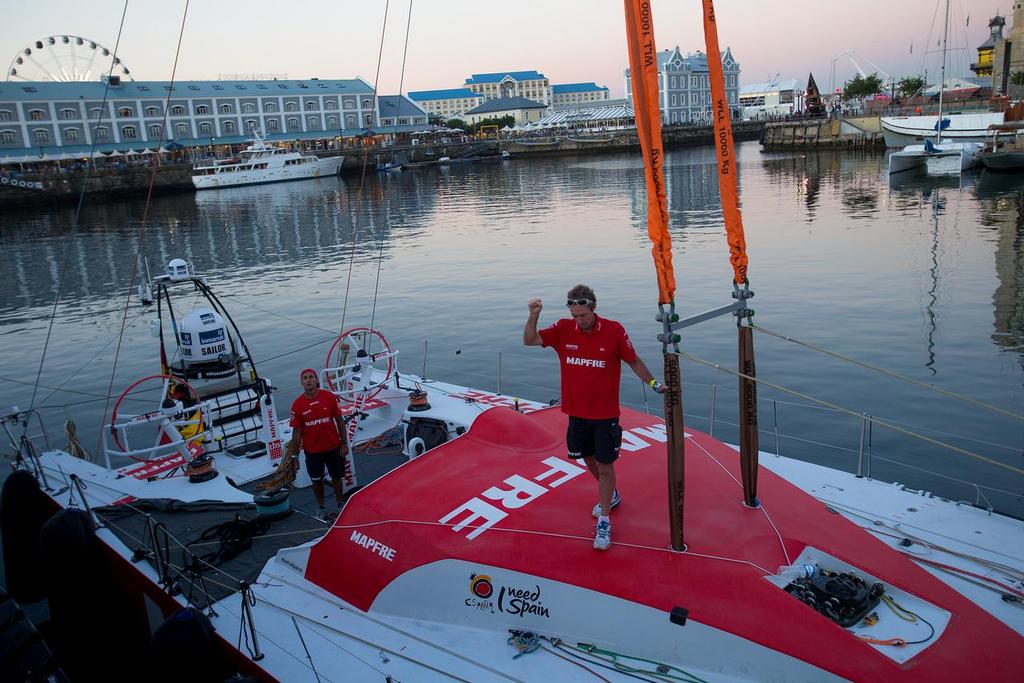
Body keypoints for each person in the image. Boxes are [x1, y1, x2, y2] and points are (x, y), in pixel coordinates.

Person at [523, 285, 665, 551]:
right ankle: (610, 495)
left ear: (593, 309)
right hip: (576, 412)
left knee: (606, 465)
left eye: (584, 316)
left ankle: (604, 520)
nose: (580, 322)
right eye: (575, 316)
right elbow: (530, 340)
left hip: (605, 414)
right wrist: (533, 315)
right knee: (587, 459)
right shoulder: (564, 329)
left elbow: (633, 360)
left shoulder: (614, 330)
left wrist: (654, 383)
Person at [288, 368, 348, 520]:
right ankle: (321, 507)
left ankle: (340, 503)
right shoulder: (297, 405)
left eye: (311, 377)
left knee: (336, 478)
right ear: (302, 382)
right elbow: (296, 432)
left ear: (316, 380)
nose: (308, 380)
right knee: (317, 481)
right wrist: (294, 456)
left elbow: (339, 421)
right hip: (313, 452)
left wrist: (344, 443)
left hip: (333, 447)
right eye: (305, 378)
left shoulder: (329, 397)